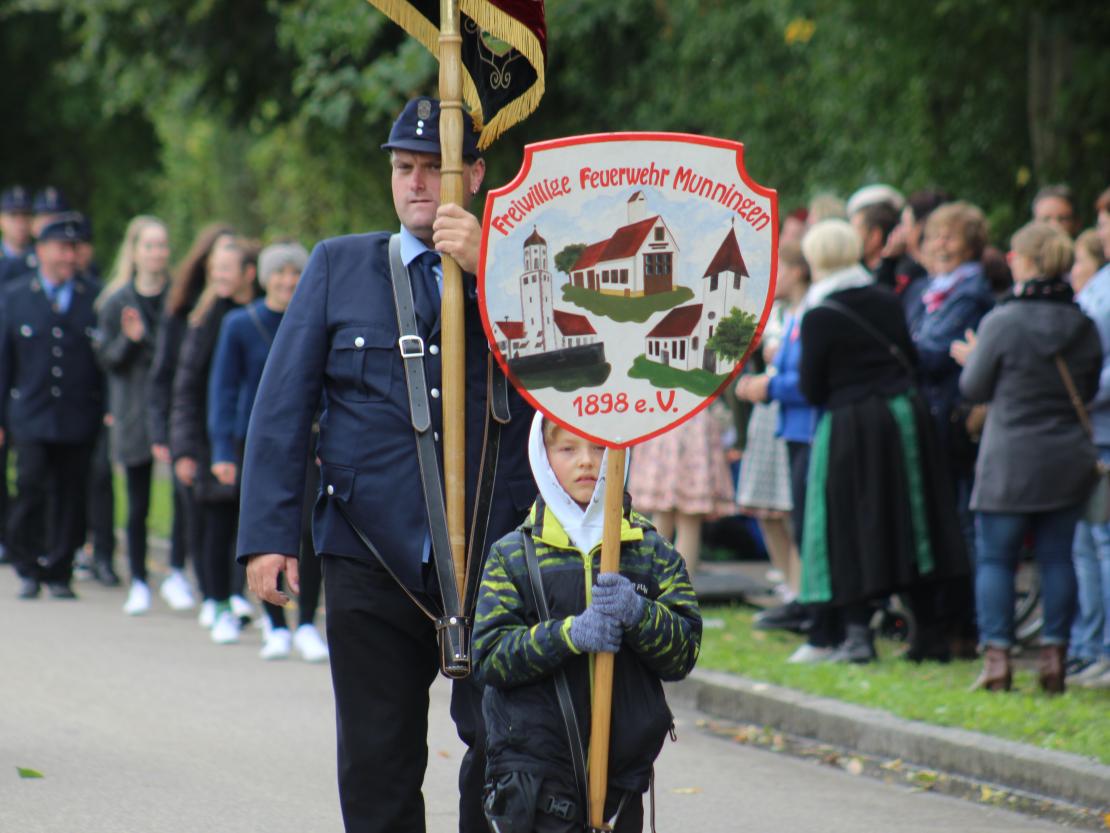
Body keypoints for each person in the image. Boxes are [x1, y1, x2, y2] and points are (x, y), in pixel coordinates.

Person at [236, 98, 535, 833]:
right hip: (369, 551)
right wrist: (268, 535)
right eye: (405, 168)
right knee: (377, 762)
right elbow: (283, 406)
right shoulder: (340, 264)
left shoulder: (523, 260)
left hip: (496, 550)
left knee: (506, 751)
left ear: (477, 175)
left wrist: (488, 265)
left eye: (437, 170)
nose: (417, 185)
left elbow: (564, 376)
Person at [473, 414, 701, 833]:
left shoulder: (650, 550)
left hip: (621, 775)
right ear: (542, 457)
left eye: (599, 448)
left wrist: (639, 613)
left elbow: (683, 653)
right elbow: (489, 656)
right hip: (535, 772)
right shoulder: (514, 554)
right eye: (567, 449)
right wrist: (568, 635)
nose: (586, 462)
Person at [792, 219, 968, 664]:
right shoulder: (886, 299)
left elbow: (812, 387)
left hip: (850, 425)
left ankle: (856, 635)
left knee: (848, 523)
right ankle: (928, 633)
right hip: (903, 419)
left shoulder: (818, 314)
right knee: (914, 521)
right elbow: (909, 357)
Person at [952, 222, 1101, 694]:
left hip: (1010, 457)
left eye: (1016, 255)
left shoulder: (1003, 320)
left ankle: (998, 661)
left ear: (1030, 261)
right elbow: (1091, 388)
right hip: (1067, 457)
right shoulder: (1083, 324)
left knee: (997, 559)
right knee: (1058, 557)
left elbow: (973, 387)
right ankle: (1054, 657)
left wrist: (973, 355)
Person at [207, 240, 328, 662]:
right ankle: (274, 624)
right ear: (265, 277)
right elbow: (222, 390)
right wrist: (222, 449)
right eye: (280, 272)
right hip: (256, 442)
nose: (288, 280)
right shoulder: (241, 324)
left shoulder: (317, 321)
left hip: (311, 441)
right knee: (263, 529)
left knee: (313, 531)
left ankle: (308, 622)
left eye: (296, 273)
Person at [0, 213, 105, 599]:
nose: (68, 256)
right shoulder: (15, 296)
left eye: (74, 248)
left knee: (71, 492)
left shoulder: (93, 296)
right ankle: (27, 565)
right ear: (41, 250)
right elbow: (4, 360)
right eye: (61, 248)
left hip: (77, 413)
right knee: (29, 486)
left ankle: (60, 570)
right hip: (30, 411)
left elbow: (102, 361)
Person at [148, 223, 237, 625]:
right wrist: (171, 437)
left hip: (229, 429)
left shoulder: (242, 313)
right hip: (196, 429)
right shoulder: (189, 314)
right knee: (200, 514)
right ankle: (205, 589)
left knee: (228, 516)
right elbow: (171, 379)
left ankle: (230, 593)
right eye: (217, 263)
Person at [171, 238, 258, 644]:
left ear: (247, 274)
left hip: (251, 436)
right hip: (212, 437)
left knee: (246, 521)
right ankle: (216, 598)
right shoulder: (206, 319)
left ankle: (237, 595)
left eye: (228, 268)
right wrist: (184, 447)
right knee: (215, 521)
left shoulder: (260, 314)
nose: (219, 276)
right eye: (215, 269)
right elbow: (187, 387)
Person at [96, 215, 182, 612]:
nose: (156, 253)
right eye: (149, 245)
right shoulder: (116, 302)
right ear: (135, 251)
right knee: (138, 500)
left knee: (183, 494)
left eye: (162, 245)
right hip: (132, 411)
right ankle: (139, 581)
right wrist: (131, 342)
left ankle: (177, 571)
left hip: (170, 408)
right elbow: (107, 360)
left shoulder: (178, 298)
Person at [735, 240, 815, 635]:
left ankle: (802, 593)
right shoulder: (776, 312)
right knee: (763, 506)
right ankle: (789, 587)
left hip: (789, 415)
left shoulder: (810, 312)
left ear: (799, 270)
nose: (773, 277)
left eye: (779, 268)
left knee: (790, 508)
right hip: (767, 417)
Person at [626, 406, 735, 578]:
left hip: (664, 418)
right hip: (691, 421)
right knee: (686, 520)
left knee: (667, 516)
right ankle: (680, 592)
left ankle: (652, 584)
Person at [0, 186, 36, 286]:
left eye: (26, 215)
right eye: (13, 215)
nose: (20, 222)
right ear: (1, 219)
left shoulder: (41, 257)